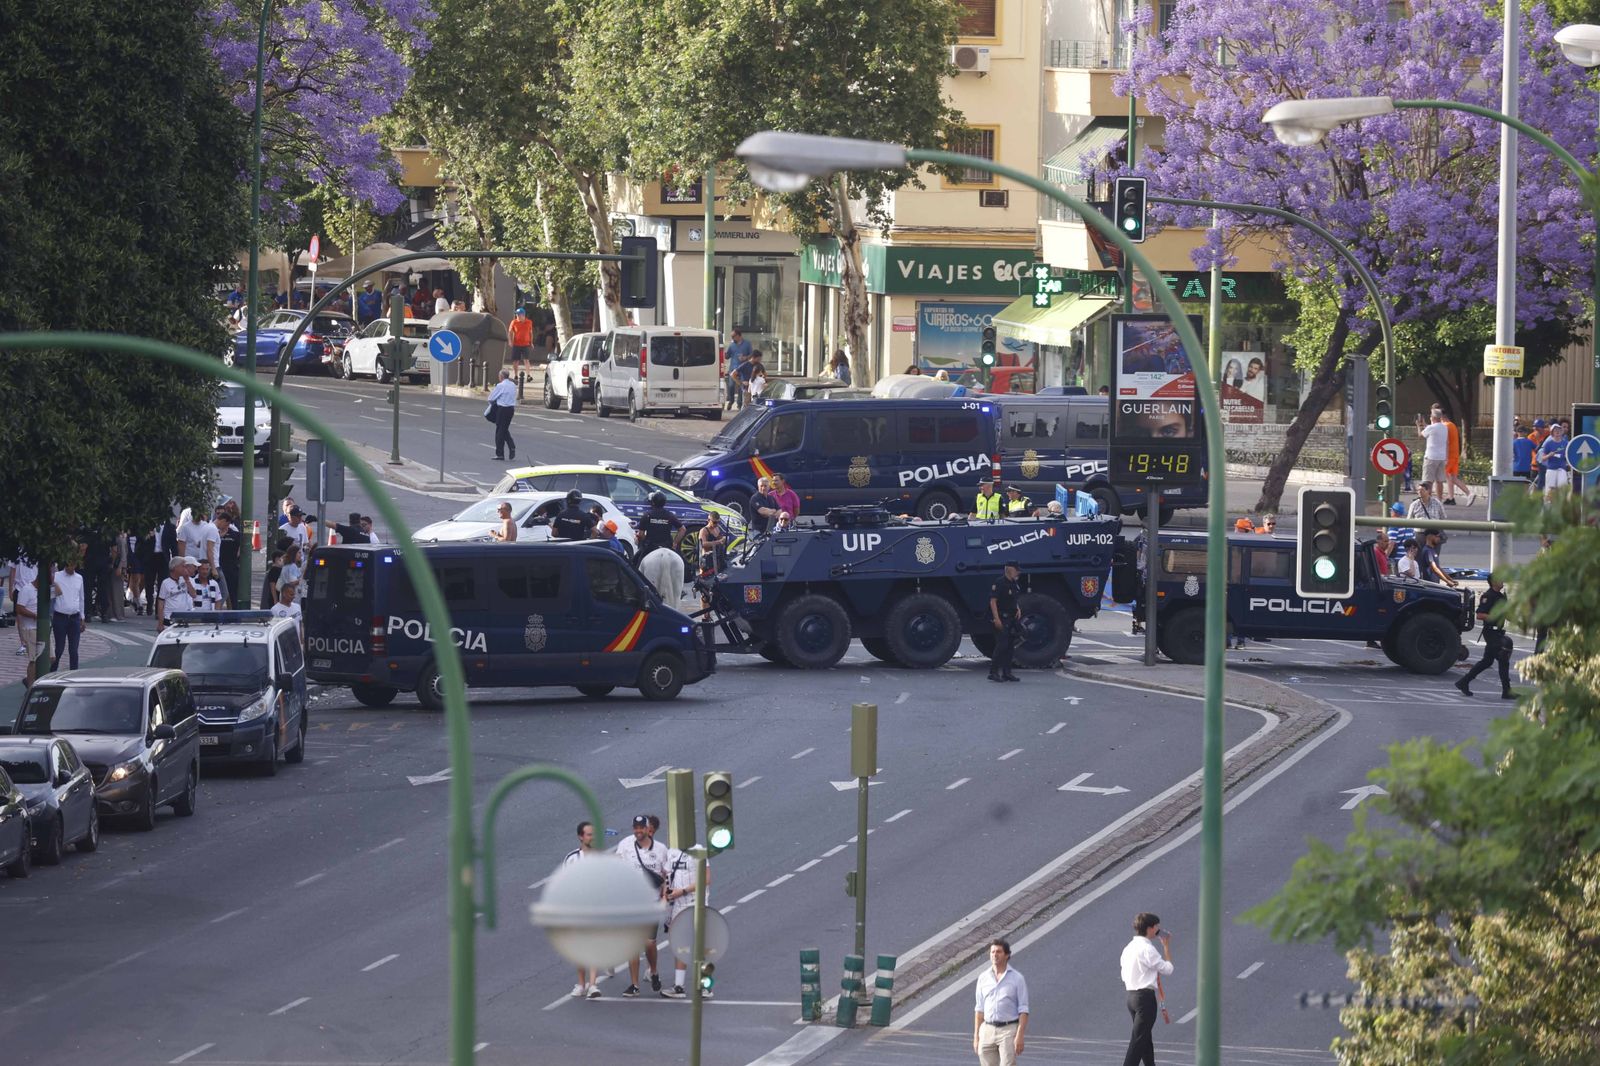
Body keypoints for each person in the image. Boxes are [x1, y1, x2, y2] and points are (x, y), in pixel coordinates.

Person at [615, 814, 670, 996]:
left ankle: (653, 971)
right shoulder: (625, 845)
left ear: (648, 829)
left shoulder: (661, 849)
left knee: (649, 943)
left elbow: (667, 875)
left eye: (641, 828)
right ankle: (635, 985)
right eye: (635, 828)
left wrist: (665, 897)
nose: (638, 831)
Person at [1120, 913, 1175, 1066]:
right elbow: (1168, 969)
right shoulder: (1147, 949)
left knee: (1144, 1039)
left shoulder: (1128, 948)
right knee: (1138, 1042)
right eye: (1157, 926)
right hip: (1145, 999)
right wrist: (1166, 947)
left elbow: (1124, 975)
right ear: (1150, 928)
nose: (1158, 929)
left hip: (1131, 997)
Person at [661, 843, 712, 997]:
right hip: (678, 905)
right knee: (680, 945)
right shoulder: (671, 852)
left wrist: (682, 891)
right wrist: (666, 895)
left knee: (699, 945)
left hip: (697, 903)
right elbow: (667, 877)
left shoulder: (699, 850)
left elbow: (706, 878)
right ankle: (679, 986)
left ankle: (705, 986)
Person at [1456, 574, 1514, 699]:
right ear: (1493, 582)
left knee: (1487, 661)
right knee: (1503, 657)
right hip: (1490, 632)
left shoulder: (1501, 597)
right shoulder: (1488, 596)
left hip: (1498, 632)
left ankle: (1463, 682)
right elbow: (1480, 615)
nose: (1502, 581)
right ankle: (1506, 691)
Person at [563, 822, 604, 998]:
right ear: (580, 836)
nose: (592, 837)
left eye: (593, 834)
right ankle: (581, 984)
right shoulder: (571, 858)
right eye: (588, 834)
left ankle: (593, 984)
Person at [973, 938, 1029, 1066]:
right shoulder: (983, 978)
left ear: (1007, 955)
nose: (995, 955)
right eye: (992, 952)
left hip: (1008, 1030)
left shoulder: (1017, 978)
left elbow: (1023, 1010)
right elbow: (979, 1009)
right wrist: (976, 1036)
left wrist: (1020, 1035)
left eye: (998, 952)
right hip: (987, 1029)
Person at [49, 560, 87, 671]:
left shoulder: (79, 578)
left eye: (74, 565)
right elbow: (51, 596)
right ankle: (52, 671)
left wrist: (82, 617)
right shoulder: (57, 576)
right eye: (70, 565)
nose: (72, 567)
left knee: (74, 650)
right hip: (60, 616)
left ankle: (74, 673)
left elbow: (81, 598)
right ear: (66, 564)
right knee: (59, 649)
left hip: (74, 617)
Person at [987, 561, 1022, 683]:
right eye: (1016, 570)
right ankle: (993, 672)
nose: (1018, 572)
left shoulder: (1014, 583)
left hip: (1012, 618)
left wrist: (1018, 608)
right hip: (1002, 618)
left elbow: (1013, 598)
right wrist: (996, 619)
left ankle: (1007, 673)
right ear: (1010, 570)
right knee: (1002, 645)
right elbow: (993, 601)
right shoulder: (1000, 582)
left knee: (1010, 647)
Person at [487, 368, 518, 461]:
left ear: (501, 376)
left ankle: (500, 453)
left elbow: (491, 398)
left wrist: (494, 404)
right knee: (504, 429)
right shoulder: (513, 385)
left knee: (499, 432)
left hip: (502, 409)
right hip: (511, 409)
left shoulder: (500, 386)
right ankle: (511, 446)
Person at [14, 574, 39, 686]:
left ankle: (30, 678)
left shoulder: (46, 589)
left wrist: (53, 582)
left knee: (51, 657)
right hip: (30, 628)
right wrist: (34, 615)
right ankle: (30, 684)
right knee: (34, 659)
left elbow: (58, 593)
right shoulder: (27, 589)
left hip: (43, 628)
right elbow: (19, 609)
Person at [1537, 421, 1571, 502]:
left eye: (1559, 430)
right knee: (1550, 488)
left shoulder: (1566, 443)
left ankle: (1561, 504)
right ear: (1552, 433)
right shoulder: (1548, 443)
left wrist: (1567, 460)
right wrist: (1549, 455)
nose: (1557, 432)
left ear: (1561, 432)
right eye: (1555, 431)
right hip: (1551, 469)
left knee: (1562, 487)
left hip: (1562, 469)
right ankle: (1548, 504)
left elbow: (1569, 456)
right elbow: (1543, 458)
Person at [1417, 410, 1450, 492]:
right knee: (1439, 481)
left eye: (1431, 416)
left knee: (1428, 481)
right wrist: (1425, 424)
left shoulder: (1431, 428)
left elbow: (1420, 435)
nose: (1430, 417)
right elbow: (1432, 430)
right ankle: (1439, 498)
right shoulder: (1445, 427)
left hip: (1431, 457)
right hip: (1441, 457)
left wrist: (1418, 426)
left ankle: (1428, 498)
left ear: (1434, 417)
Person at [214, 512, 241, 609]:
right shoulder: (214, 532)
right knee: (219, 592)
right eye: (226, 524)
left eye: (228, 524)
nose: (226, 526)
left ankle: (233, 612)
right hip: (218, 566)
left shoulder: (235, 534)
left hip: (231, 567)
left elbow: (243, 546)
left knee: (232, 593)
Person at [725, 329, 752, 409]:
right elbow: (727, 356)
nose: (732, 338)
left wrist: (745, 357)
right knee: (731, 385)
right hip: (733, 369)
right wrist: (723, 352)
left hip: (743, 369)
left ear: (739, 336)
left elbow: (751, 354)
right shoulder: (732, 345)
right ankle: (731, 400)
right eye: (731, 336)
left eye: (733, 336)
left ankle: (739, 403)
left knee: (741, 386)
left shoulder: (747, 344)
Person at [508, 307, 534, 371]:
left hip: (526, 344)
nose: (517, 315)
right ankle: (516, 374)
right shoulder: (514, 322)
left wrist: (531, 343)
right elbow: (510, 332)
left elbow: (530, 333)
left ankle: (528, 374)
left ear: (523, 315)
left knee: (526, 360)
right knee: (516, 360)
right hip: (516, 344)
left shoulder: (529, 322)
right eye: (516, 314)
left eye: (518, 314)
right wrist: (510, 341)